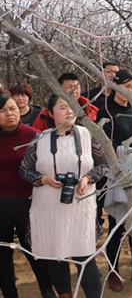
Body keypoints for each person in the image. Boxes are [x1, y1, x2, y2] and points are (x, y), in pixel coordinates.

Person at [20, 94, 108, 298]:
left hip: (80, 204)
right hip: (48, 206)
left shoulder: (88, 135)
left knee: (85, 255)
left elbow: (103, 165)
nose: (69, 111)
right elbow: (24, 170)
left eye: (72, 107)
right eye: (62, 107)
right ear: (50, 113)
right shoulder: (40, 139)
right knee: (55, 254)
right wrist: (43, 180)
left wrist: (87, 178)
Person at [0, 95, 55, 298]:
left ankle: (47, 289)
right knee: (2, 255)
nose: (10, 114)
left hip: (29, 203)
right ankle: (9, 292)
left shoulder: (34, 136)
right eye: (4, 110)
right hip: (0, 206)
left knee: (34, 249)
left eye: (13, 109)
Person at [96, 69, 132, 292]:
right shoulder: (105, 108)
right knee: (116, 225)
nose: (131, 91)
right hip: (115, 175)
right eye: (128, 86)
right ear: (116, 85)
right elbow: (102, 143)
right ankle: (113, 270)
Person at [34, 73, 98, 130]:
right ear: (59, 89)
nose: (74, 91)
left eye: (77, 87)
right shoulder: (46, 115)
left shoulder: (90, 109)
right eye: (70, 87)